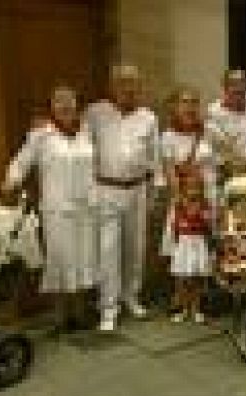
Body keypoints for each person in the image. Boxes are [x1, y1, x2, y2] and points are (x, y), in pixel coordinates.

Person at [2, 86, 98, 333]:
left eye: (70, 100)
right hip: (56, 211)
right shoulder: (41, 135)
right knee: (59, 261)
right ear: (52, 106)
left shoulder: (87, 132)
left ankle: (79, 312)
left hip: (86, 208)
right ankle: (59, 317)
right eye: (59, 101)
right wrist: (12, 180)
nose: (65, 105)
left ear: (77, 104)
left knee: (84, 259)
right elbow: (21, 161)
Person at [85, 64, 159, 331]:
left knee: (135, 247)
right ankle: (108, 307)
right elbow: (81, 145)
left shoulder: (149, 117)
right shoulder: (95, 113)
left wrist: (154, 193)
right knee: (108, 250)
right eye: (122, 82)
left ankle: (131, 296)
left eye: (132, 82)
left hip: (138, 189)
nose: (128, 87)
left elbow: (155, 157)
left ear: (139, 86)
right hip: (107, 189)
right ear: (112, 85)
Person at [158, 87, 215, 323]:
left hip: (210, 196)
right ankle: (179, 299)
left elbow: (221, 160)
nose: (190, 107)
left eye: (194, 102)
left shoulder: (208, 132)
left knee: (203, 252)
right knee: (181, 252)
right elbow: (170, 172)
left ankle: (199, 302)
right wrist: (183, 202)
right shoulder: (168, 136)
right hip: (186, 200)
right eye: (184, 102)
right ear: (175, 106)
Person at [206, 69, 246, 173]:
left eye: (242, 82)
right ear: (225, 88)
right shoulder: (214, 112)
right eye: (233, 84)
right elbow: (223, 146)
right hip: (227, 171)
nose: (239, 87)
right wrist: (244, 165)